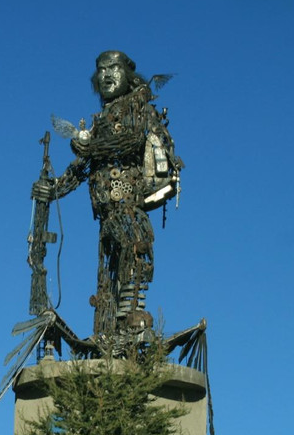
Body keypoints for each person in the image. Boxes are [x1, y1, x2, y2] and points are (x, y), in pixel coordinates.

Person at [33, 50, 182, 342]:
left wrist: (93, 148)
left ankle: (133, 317)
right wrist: (54, 189)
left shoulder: (137, 108)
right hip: (106, 212)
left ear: (128, 72)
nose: (106, 75)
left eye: (113, 68)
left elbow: (132, 140)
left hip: (127, 203)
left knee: (135, 248)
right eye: (101, 70)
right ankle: (107, 330)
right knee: (108, 272)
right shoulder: (102, 121)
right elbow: (83, 166)